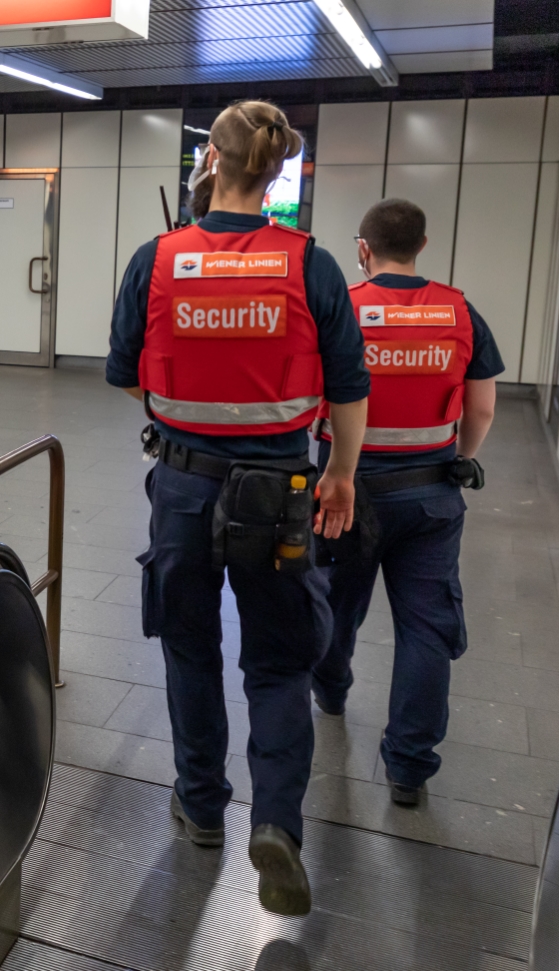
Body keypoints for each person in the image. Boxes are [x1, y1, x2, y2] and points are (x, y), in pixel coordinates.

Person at [106, 100, 370, 917]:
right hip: (285, 493)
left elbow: (127, 377)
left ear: (209, 164)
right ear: (277, 170)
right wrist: (343, 476)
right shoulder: (312, 265)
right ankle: (280, 826)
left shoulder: (158, 257)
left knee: (189, 645)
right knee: (279, 661)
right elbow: (349, 390)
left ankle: (202, 803)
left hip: (184, 486)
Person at [310, 198, 502, 807]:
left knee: (338, 605)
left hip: (346, 491)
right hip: (430, 497)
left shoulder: (340, 308)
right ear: (422, 245)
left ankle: (332, 688)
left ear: (362, 249)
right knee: (425, 626)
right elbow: (482, 407)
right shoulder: (459, 310)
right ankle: (409, 768)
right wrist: (459, 457)